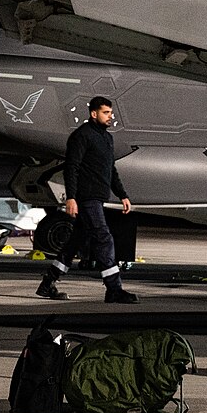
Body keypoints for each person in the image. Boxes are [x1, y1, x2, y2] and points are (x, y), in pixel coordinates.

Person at [36, 96, 136, 303]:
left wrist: (122, 194)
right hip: (86, 197)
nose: (111, 116)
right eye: (106, 113)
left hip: (98, 197)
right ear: (93, 114)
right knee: (103, 238)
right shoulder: (81, 136)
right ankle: (113, 289)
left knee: (74, 242)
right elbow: (71, 167)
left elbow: (111, 170)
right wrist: (71, 198)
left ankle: (48, 284)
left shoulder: (107, 138)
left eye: (110, 112)